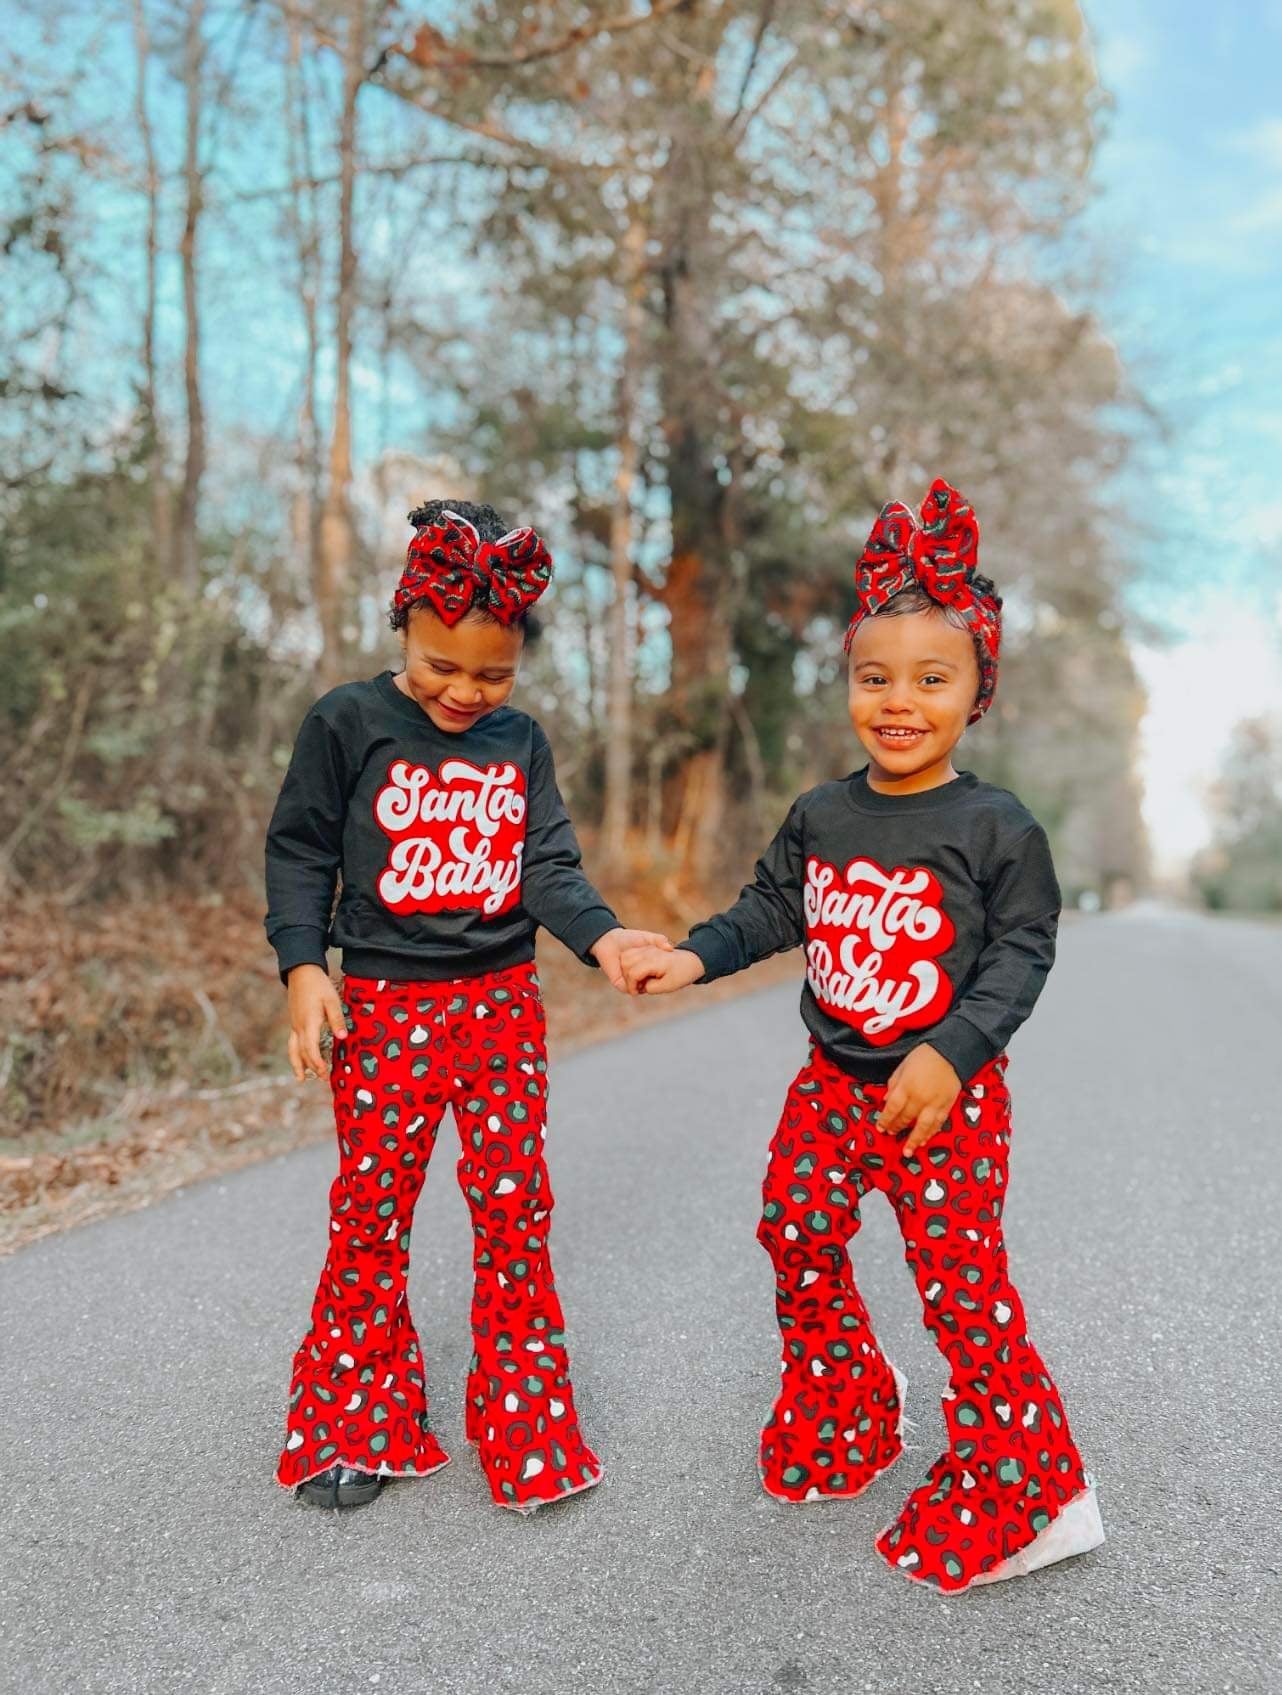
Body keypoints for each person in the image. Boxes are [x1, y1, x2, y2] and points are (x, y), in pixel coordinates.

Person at [619, 480, 1105, 1591]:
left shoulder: (995, 827)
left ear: (976, 689)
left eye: (931, 679)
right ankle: (846, 1406)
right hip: (830, 1084)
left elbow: (1023, 952)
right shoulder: (822, 815)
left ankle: (1037, 1493)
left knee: (960, 1291)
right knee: (792, 1233)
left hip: (945, 1098)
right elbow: (772, 908)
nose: (899, 700)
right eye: (874, 677)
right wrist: (693, 954)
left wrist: (954, 1051)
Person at [265, 500, 669, 1514]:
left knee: (512, 1216)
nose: (464, 691)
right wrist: (304, 967)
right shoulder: (347, 723)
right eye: (443, 666)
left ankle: (525, 1431)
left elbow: (548, 868)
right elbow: (301, 849)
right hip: (387, 1010)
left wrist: (604, 935)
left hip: (499, 1011)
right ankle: (351, 1426)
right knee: (370, 1213)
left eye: (492, 674)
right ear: (405, 626)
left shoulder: (517, 742)